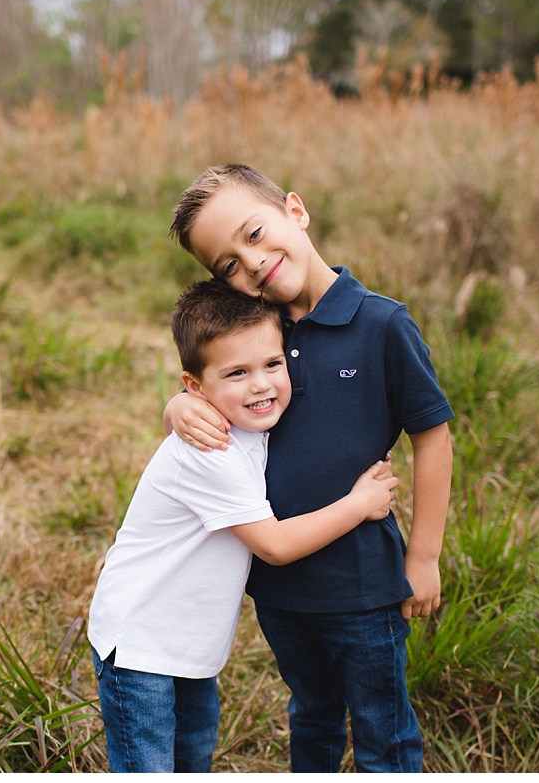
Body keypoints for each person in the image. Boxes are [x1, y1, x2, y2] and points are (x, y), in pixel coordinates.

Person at [164, 164, 454, 773]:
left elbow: (432, 437)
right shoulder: (258, 333)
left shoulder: (381, 325)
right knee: (313, 713)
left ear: (295, 210)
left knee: (384, 729)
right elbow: (215, 381)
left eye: (254, 233)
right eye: (228, 267)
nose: (252, 262)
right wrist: (179, 405)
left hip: (364, 586)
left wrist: (423, 556)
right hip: (280, 589)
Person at [88, 278, 400, 773]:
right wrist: (359, 503)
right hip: (141, 645)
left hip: (189, 645)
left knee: (192, 757)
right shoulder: (211, 452)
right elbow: (274, 545)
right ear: (196, 386)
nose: (260, 384)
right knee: (149, 765)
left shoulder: (251, 425)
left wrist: (177, 407)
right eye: (237, 372)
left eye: (272, 365)